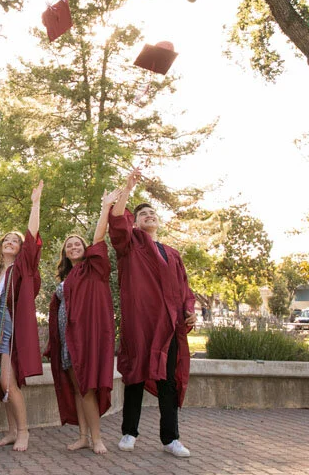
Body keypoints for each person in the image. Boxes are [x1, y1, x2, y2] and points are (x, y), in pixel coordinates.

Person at [110, 169, 197, 458]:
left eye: (152, 213)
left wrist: (188, 311)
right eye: (142, 214)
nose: (149, 215)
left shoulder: (172, 253)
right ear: (134, 222)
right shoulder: (130, 245)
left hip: (167, 326)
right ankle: (129, 432)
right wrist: (127, 188)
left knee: (167, 381)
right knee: (135, 376)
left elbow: (184, 288)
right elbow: (117, 221)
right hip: (139, 323)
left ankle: (171, 438)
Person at [47, 188, 119, 455]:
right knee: (77, 389)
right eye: (69, 245)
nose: (74, 247)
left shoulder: (93, 269)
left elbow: (99, 237)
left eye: (78, 244)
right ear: (65, 253)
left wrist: (106, 207)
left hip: (84, 339)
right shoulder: (66, 278)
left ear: (85, 249)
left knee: (87, 388)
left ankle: (97, 438)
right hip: (67, 340)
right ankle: (83, 437)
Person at [0, 181, 44, 453]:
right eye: (7, 240)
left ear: (20, 248)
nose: (10, 242)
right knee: (1, 382)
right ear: (1, 246)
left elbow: (32, 236)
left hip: (14, 332)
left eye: (15, 241)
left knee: (9, 381)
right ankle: (10, 431)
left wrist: (35, 204)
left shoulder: (22, 268)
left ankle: (23, 432)